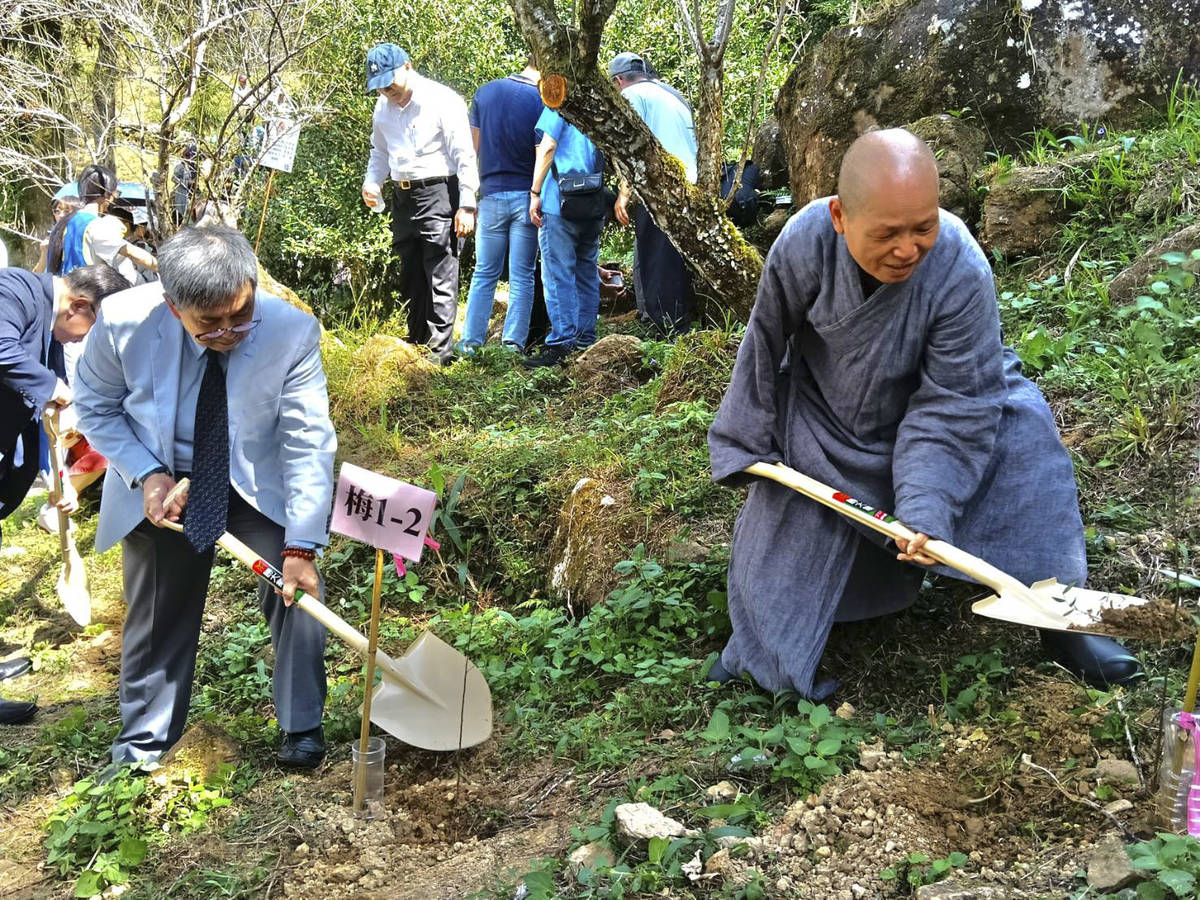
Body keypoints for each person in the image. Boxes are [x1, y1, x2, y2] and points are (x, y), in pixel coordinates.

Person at [707, 129, 1141, 699]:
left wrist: (926, 505)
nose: (908, 249)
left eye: (923, 227)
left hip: (943, 405)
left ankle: (1061, 619)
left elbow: (955, 403)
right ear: (840, 217)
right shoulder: (804, 243)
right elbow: (765, 342)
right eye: (887, 233)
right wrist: (745, 437)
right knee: (782, 530)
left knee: (1025, 434)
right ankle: (762, 644)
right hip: (826, 417)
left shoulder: (960, 264)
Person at [74, 225, 336, 768]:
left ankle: (302, 726)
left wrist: (302, 544)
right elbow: (95, 407)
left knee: (298, 591)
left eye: (240, 315)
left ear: (252, 285)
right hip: (161, 482)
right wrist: (147, 473)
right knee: (157, 611)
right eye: (209, 324)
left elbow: (307, 440)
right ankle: (145, 744)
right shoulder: (122, 321)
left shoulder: (291, 332)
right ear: (173, 307)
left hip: (254, 482)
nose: (228, 332)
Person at [0, 263, 131, 724]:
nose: (82, 342)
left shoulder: (51, 330)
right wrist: (54, 388)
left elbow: (47, 419)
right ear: (79, 305)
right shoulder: (13, 289)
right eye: (91, 330)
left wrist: (60, 483)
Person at [361, 43, 478, 364]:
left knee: (440, 271)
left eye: (390, 83)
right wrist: (372, 182)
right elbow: (379, 151)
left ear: (408, 67)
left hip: (440, 190)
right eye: (380, 87)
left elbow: (464, 154)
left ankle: (439, 356)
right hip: (403, 196)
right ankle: (415, 346)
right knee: (411, 272)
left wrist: (467, 204)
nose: (387, 91)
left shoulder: (443, 100)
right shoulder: (382, 108)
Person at [457, 57, 544, 355]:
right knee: (522, 275)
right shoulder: (540, 99)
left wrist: (469, 197)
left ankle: (470, 343)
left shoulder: (485, 93)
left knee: (484, 272)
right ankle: (512, 346)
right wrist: (537, 192)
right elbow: (542, 150)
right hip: (526, 197)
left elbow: (471, 151)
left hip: (491, 194)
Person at [609, 52, 698, 336]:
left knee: (658, 259)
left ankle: (667, 328)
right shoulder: (673, 95)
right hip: (691, 183)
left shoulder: (631, 95)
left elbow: (631, 145)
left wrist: (624, 192)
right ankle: (675, 320)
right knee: (672, 257)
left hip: (660, 186)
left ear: (618, 81)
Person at [525, 107, 608, 368]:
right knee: (586, 272)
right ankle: (585, 339)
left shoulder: (559, 106)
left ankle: (562, 343)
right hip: (593, 200)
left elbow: (548, 146)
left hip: (558, 203)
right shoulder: (598, 108)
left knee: (558, 274)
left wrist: (534, 192)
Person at [51, 165, 157, 280]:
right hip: (88, 288)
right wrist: (162, 268)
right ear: (108, 195)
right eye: (116, 194)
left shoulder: (64, 224)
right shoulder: (95, 225)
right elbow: (131, 252)